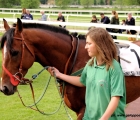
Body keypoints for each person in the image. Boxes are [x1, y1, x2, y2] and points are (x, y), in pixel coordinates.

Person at [48, 27, 126, 120]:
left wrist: (103, 118)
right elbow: (82, 81)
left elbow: (115, 98)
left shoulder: (114, 67)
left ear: (100, 45)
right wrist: (60, 75)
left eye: (89, 43)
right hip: (89, 117)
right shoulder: (90, 63)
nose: (86, 47)